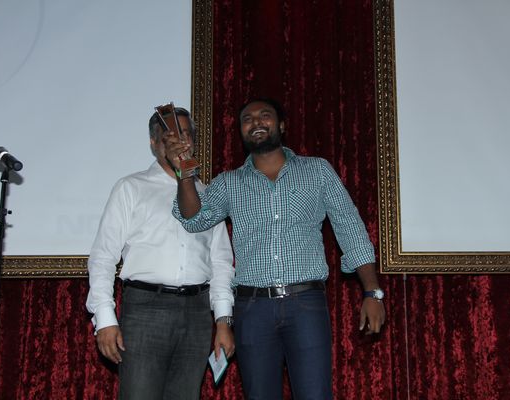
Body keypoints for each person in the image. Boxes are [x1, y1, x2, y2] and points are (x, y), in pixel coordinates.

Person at [166, 98, 386, 399]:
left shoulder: (318, 171)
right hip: (252, 309)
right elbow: (193, 219)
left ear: (281, 125)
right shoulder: (229, 183)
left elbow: (351, 228)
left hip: (305, 304)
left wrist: (372, 292)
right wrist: (184, 172)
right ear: (241, 132)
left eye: (265, 115)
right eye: (247, 119)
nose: (256, 122)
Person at [86, 107, 235, 400]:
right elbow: (103, 256)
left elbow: (220, 262)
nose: (181, 141)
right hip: (145, 310)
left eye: (186, 134)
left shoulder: (208, 194)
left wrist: (223, 320)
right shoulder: (131, 187)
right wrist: (104, 319)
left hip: (197, 312)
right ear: (154, 143)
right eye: (170, 135)